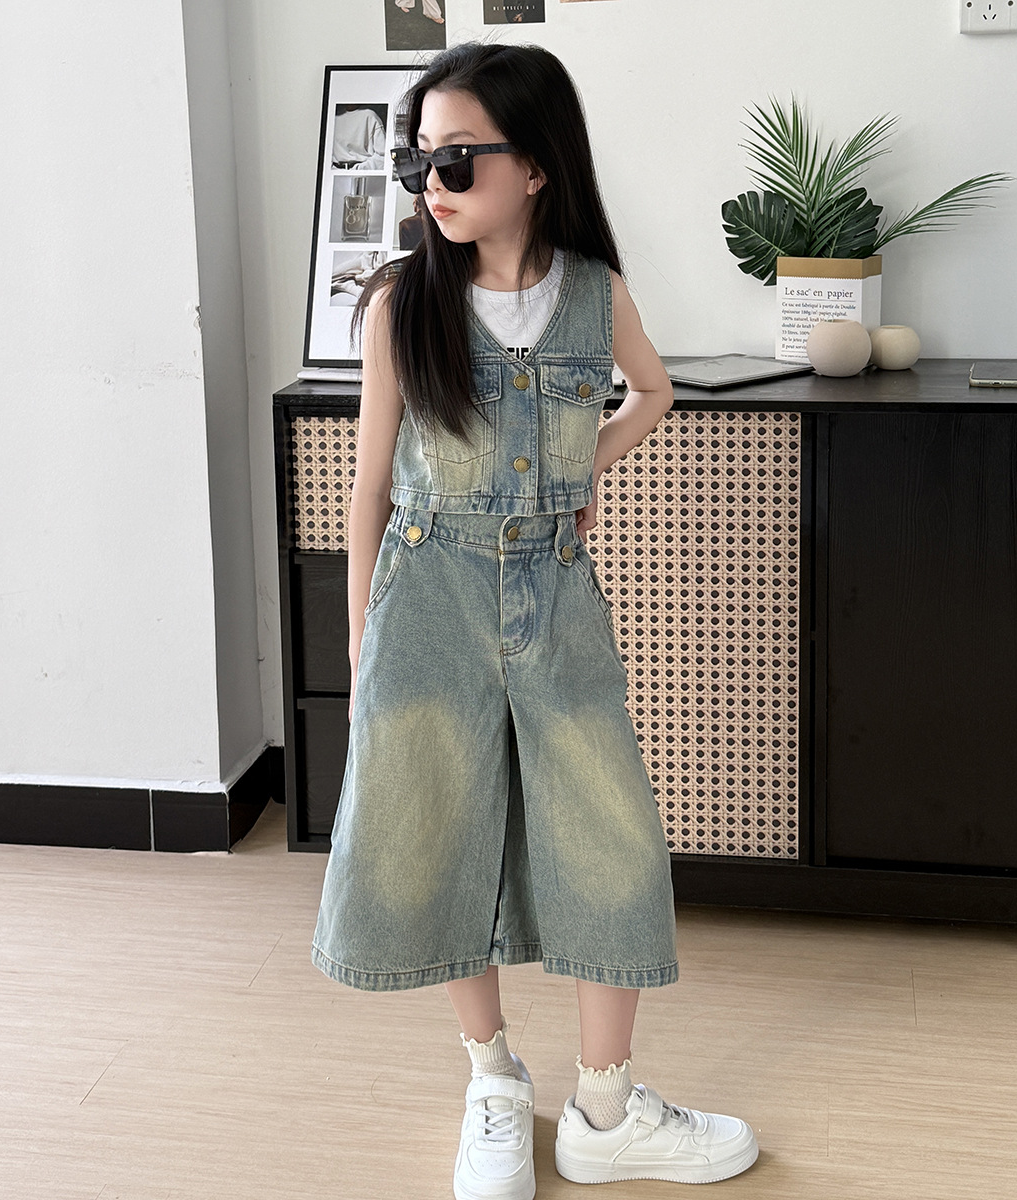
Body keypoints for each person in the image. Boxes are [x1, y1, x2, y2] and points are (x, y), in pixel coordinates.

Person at [309, 42, 758, 1200]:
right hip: (427, 596)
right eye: (419, 162)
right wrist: (360, 639)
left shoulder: (596, 295)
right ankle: (493, 1080)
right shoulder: (402, 303)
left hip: (555, 596)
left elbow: (653, 391)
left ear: (538, 165)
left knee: (609, 836)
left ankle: (605, 1110)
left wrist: (582, 463)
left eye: (457, 159)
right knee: (443, 829)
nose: (433, 184)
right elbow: (368, 486)